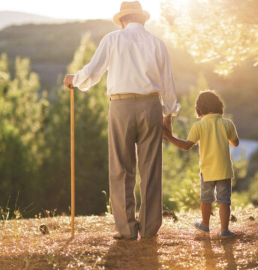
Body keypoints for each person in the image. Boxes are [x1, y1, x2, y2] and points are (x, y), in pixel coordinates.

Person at [63, 1, 180, 240]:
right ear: (143, 19)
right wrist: (168, 116)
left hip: (120, 106)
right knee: (151, 169)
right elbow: (168, 84)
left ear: (123, 20)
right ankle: (148, 230)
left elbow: (92, 73)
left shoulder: (112, 39)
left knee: (121, 168)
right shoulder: (158, 44)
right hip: (151, 107)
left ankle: (126, 229)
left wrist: (74, 79)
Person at [162, 90, 239, 238]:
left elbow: (186, 146)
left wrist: (169, 137)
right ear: (219, 106)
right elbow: (235, 143)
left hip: (207, 170)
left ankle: (205, 225)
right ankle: (224, 230)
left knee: (206, 198)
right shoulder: (227, 123)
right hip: (224, 169)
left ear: (199, 109)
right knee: (224, 200)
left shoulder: (199, 126)